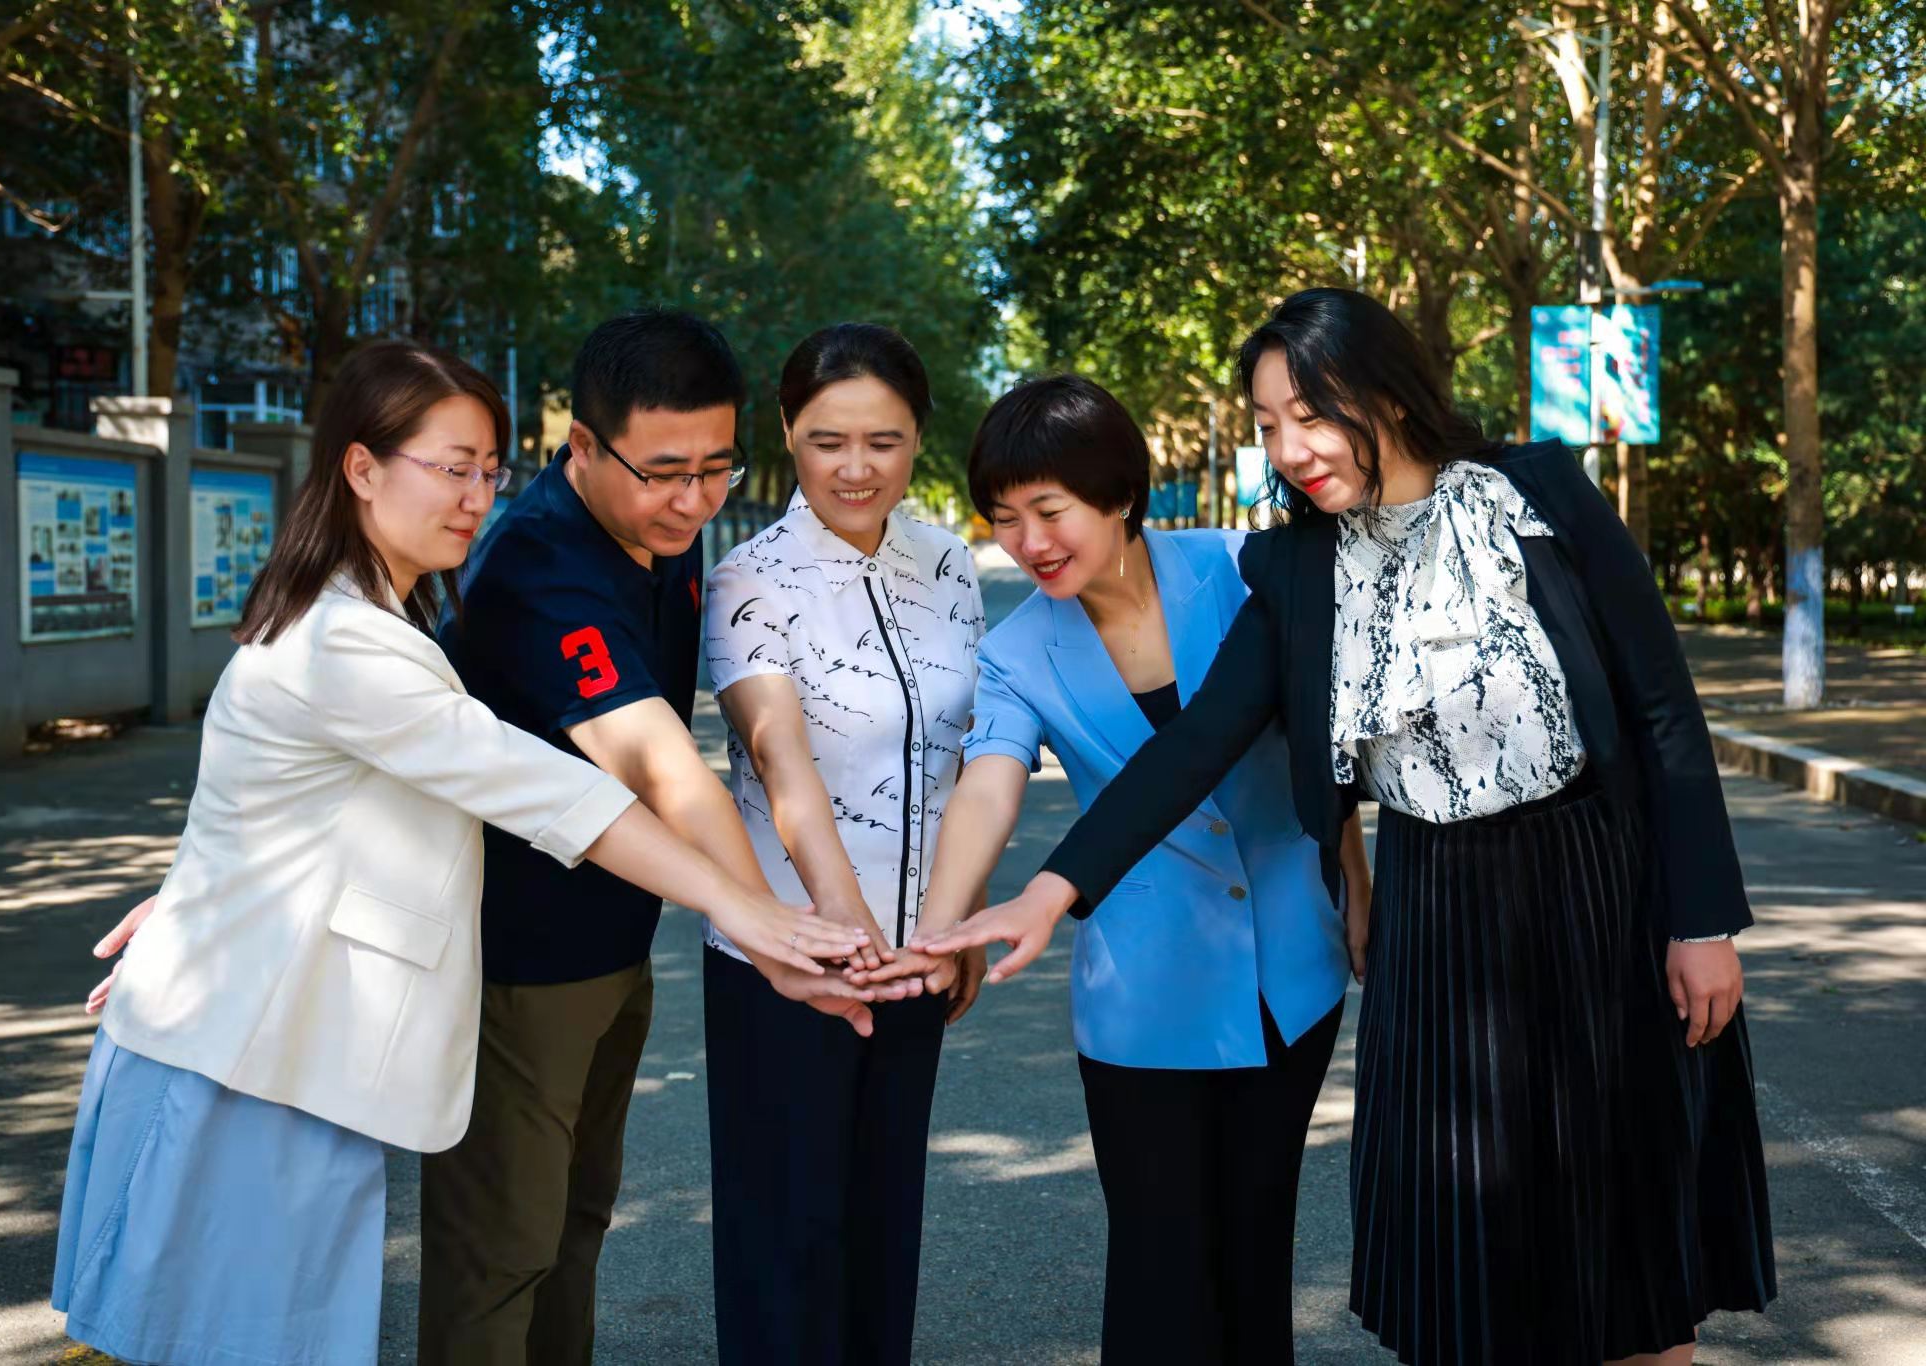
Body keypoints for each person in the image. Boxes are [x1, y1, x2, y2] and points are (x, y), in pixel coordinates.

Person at [920, 288, 1776, 1366]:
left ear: (1385, 391)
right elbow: (1195, 745)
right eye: (1268, 424)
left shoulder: (1538, 492)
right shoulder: (1297, 568)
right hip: (1434, 915)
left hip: (1595, 888)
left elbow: (1661, 708)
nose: (1290, 449)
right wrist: (1050, 893)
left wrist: (1700, 920)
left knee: (1629, 1249)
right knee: (1469, 1258)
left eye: (1311, 414)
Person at [54, 340, 863, 1366]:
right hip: (240, 1056)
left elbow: (272, 797)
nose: (477, 497)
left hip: (273, 1037)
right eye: (450, 468)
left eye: (488, 468)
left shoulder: (379, 609)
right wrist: (754, 916)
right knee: (232, 1335)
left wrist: (198, 885)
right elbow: (553, 787)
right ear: (360, 467)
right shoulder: (350, 639)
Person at [415, 311, 885, 1366]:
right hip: (513, 964)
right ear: (582, 444)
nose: (694, 500)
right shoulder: (539, 566)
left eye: (717, 468)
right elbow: (658, 762)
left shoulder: (660, 528)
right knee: (501, 1251)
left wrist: (774, 918)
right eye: (665, 472)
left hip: (612, 944)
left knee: (575, 1222)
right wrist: (770, 928)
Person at [905, 374, 1364, 1364]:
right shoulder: (1016, 649)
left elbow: (1326, 748)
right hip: (1142, 990)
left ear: (1118, 493)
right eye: (1003, 520)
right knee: (1160, 1269)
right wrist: (943, 927)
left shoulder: (1241, 568)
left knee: (1255, 1253)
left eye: (1049, 510)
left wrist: (1356, 891)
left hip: (1291, 967)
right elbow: (989, 783)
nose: (1028, 542)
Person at [700, 323, 986, 1365]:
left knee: (881, 1226)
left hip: (915, 958)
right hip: (790, 961)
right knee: (787, 1239)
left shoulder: (949, 564)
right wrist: (847, 934)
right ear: (787, 433)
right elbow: (780, 760)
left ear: (918, 440)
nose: (854, 467)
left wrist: (954, 922)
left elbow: (969, 754)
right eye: (827, 441)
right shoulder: (747, 578)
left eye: (883, 440)